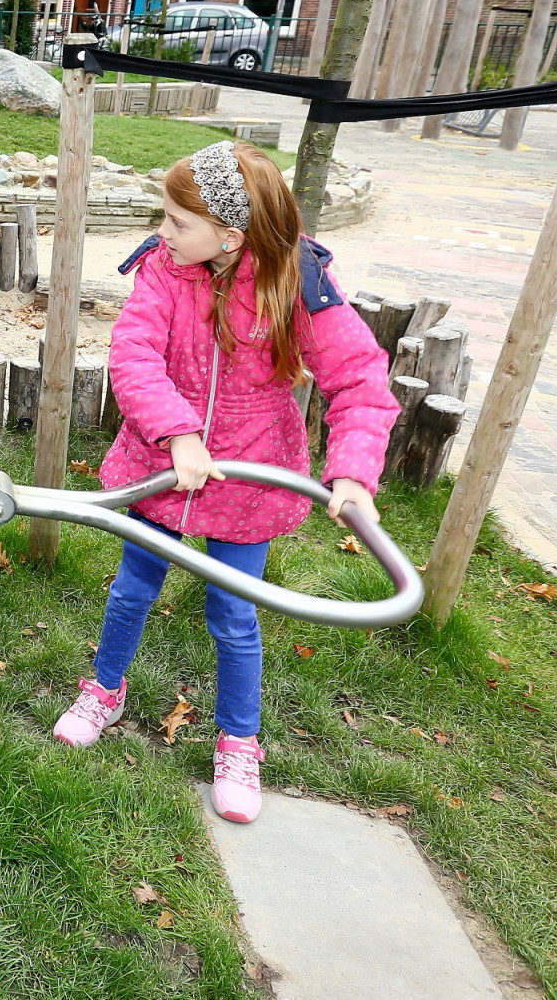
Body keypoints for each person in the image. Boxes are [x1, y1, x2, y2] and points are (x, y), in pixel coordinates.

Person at [50, 141, 398, 824]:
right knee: (131, 589)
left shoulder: (297, 284)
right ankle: (106, 688)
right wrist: (177, 431)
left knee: (233, 614)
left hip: (249, 477)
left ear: (230, 236)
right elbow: (134, 352)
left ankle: (238, 738)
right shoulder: (162, 270)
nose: (162, 231)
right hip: (162, 467)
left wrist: (353, 474)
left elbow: (359, 380)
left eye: (178, 221)